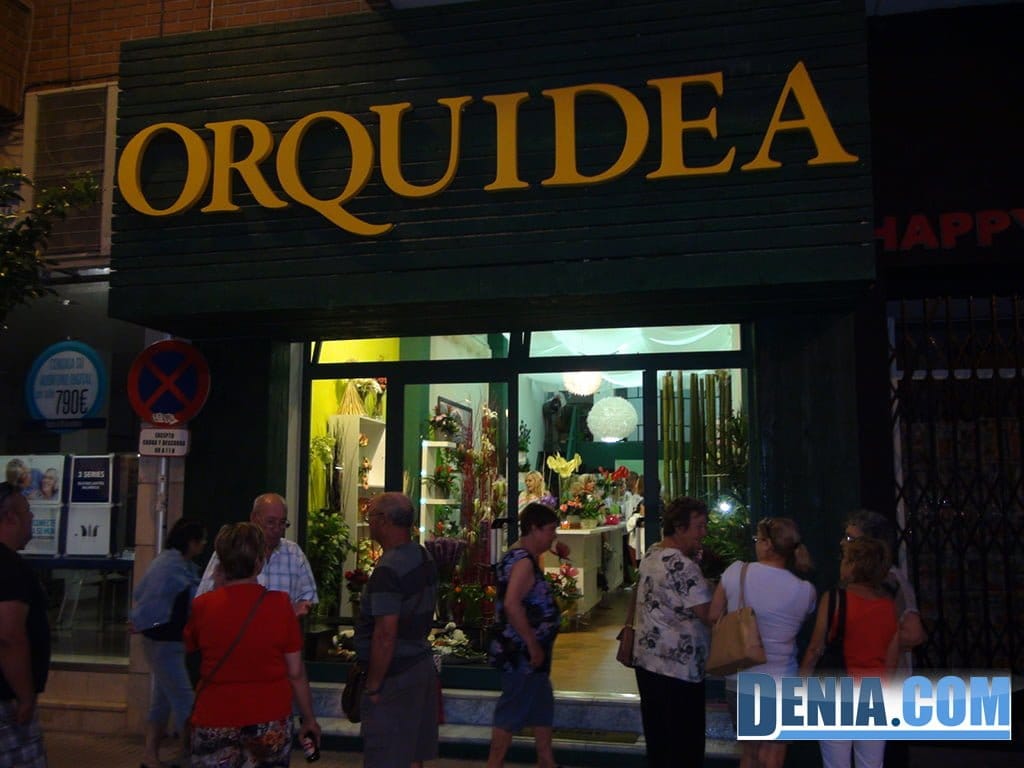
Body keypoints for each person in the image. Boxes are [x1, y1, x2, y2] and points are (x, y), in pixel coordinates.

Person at [184, 522, 320, 767]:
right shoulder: (281, 605)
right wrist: (309, 718)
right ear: (259, 562)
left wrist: (217, 587)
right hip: (268, 714)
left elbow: (191, 644)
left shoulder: (203, 606)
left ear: (221, 564)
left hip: (215, 713)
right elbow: (295, 672)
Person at [709, 517, 816, 768]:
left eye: (758, 539)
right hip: (781, 679)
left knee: (749, 753)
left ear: (767, 544)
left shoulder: (736, 572)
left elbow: (713, 615)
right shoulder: (805, 590)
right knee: (774, 756)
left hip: (740, 679)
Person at [354, 492, 439, 768]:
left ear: (384, 520)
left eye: (370, 516)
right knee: (413, 753)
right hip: (420, 667)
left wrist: (374, 686)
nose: (369, 522)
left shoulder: (388, 569)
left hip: (395, 677)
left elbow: (385, 635)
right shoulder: (423, 556)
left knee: (386, 754)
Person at [800, 537, 899, 768]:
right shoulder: (888, 606)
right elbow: (892, 660)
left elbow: (815, 648)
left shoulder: (834, 599)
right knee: (871, 762)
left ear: (854, 564)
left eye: (845, 559)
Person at [633, 496, 712, 768]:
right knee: (684, 745)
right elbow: (707, 613)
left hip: (648, 662)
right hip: (679, 668)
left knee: (659, 741)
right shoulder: (682, 565)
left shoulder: (652, 554)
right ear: (679, 527)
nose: (703, 533)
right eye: (699, 526)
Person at [486, 502, 562, 768]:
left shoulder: (521, 555)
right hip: (521, 652)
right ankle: (494, 763)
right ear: (534, 528)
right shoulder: (523, 563)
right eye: (550, 530)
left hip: (530, 654)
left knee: (541, 703)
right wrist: (532, 644)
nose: (553, 536)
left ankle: (546, 759)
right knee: (513, 706)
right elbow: (512, 604)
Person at [131, 518, 207, 768]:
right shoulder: (174, 568)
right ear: (191, 542)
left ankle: (150, 756)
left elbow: (142, 593)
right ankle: (193, 755)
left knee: (162, 701)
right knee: (185, 701)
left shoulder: (169, 563)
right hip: (165, 643)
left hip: (162, 641)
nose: (203, 545)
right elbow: (192, 599)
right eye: (201, 540)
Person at [197, 492, 318, 616]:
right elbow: (204, 597)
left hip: (282, 627)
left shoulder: (294, 553)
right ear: (254, 518)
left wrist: (296, 610)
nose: (277, 529)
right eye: (270, 522)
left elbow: (310, 598)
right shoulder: (231, 550)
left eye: (282, 523)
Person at [0, 480, 50, 767]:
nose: (32, 518)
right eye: (28, 511)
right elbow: (9, 636)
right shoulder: (9, 568)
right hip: (6, 699)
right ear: (10, 517)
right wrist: (25, 695)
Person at [843, 509, 926, 669]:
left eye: (850, 539)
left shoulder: (890, 579)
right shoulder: (862, 578)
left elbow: (914, 634)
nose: (843, 543)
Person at [623, 474, 645, 567]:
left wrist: (634, 518)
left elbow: (642, 517)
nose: (636, 485)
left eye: (637, 483)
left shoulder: (643, 502)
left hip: (641, 538)